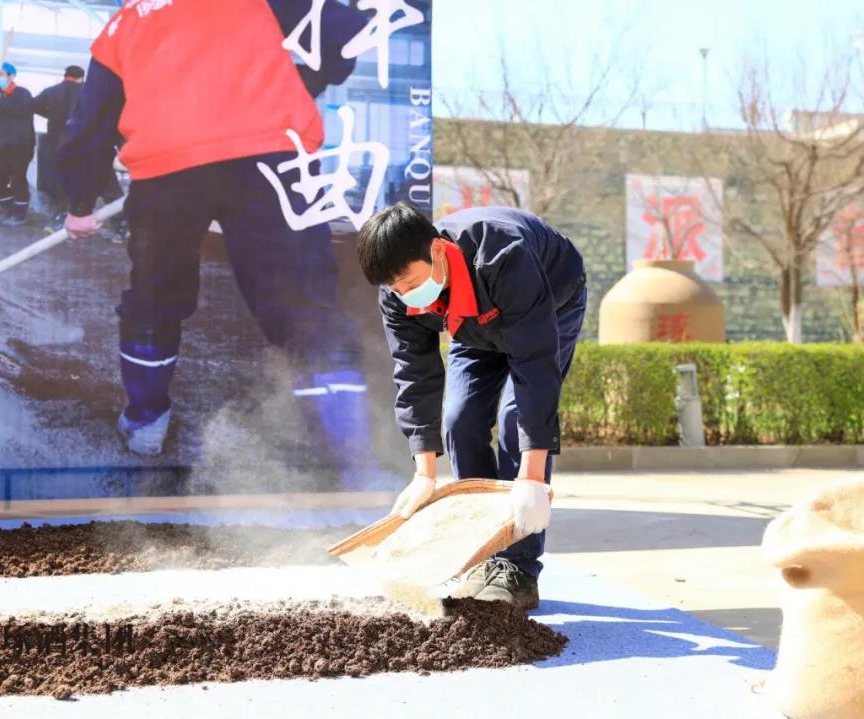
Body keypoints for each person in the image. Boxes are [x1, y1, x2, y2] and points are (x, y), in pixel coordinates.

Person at [57, 0, 370, 462]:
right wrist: (310, 80)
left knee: (154, 298)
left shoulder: (124, 23)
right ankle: (346, 447)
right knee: (303, 302)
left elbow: (91, 122)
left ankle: (145, 423)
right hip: (273, 156)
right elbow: (345, 29)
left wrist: (80, 202)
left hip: (166, 170)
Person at [356, 203, 587, 609]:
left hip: (549, 302)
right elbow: (415, 373)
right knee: (459, 419)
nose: (406, 296)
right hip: (472, 323)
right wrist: (424, 475)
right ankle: (482, 556)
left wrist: (532, 479)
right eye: (395, 289)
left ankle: (518, 569)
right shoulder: (397, 293)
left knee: (516, 419)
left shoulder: (504, 256)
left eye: (410, 282)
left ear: (438, 250)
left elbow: (535, 366)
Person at [33, 65, 126, 239]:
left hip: (61, 147)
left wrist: (52, 114)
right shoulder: (89, 92)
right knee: (108, 187)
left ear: (65, 75)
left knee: (64, 185)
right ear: (81, 77)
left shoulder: (52, 92)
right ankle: (122, 226)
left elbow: (33, 105)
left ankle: (60, 220)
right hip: (91, 147)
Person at [0, 61, 35, 226]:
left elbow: (18, 111)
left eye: (2, 75)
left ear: (11, 76)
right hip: (2, 145)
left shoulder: (22, 94)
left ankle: (19, 216)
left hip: (21, 145)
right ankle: (8, 210)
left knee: (18, 179)